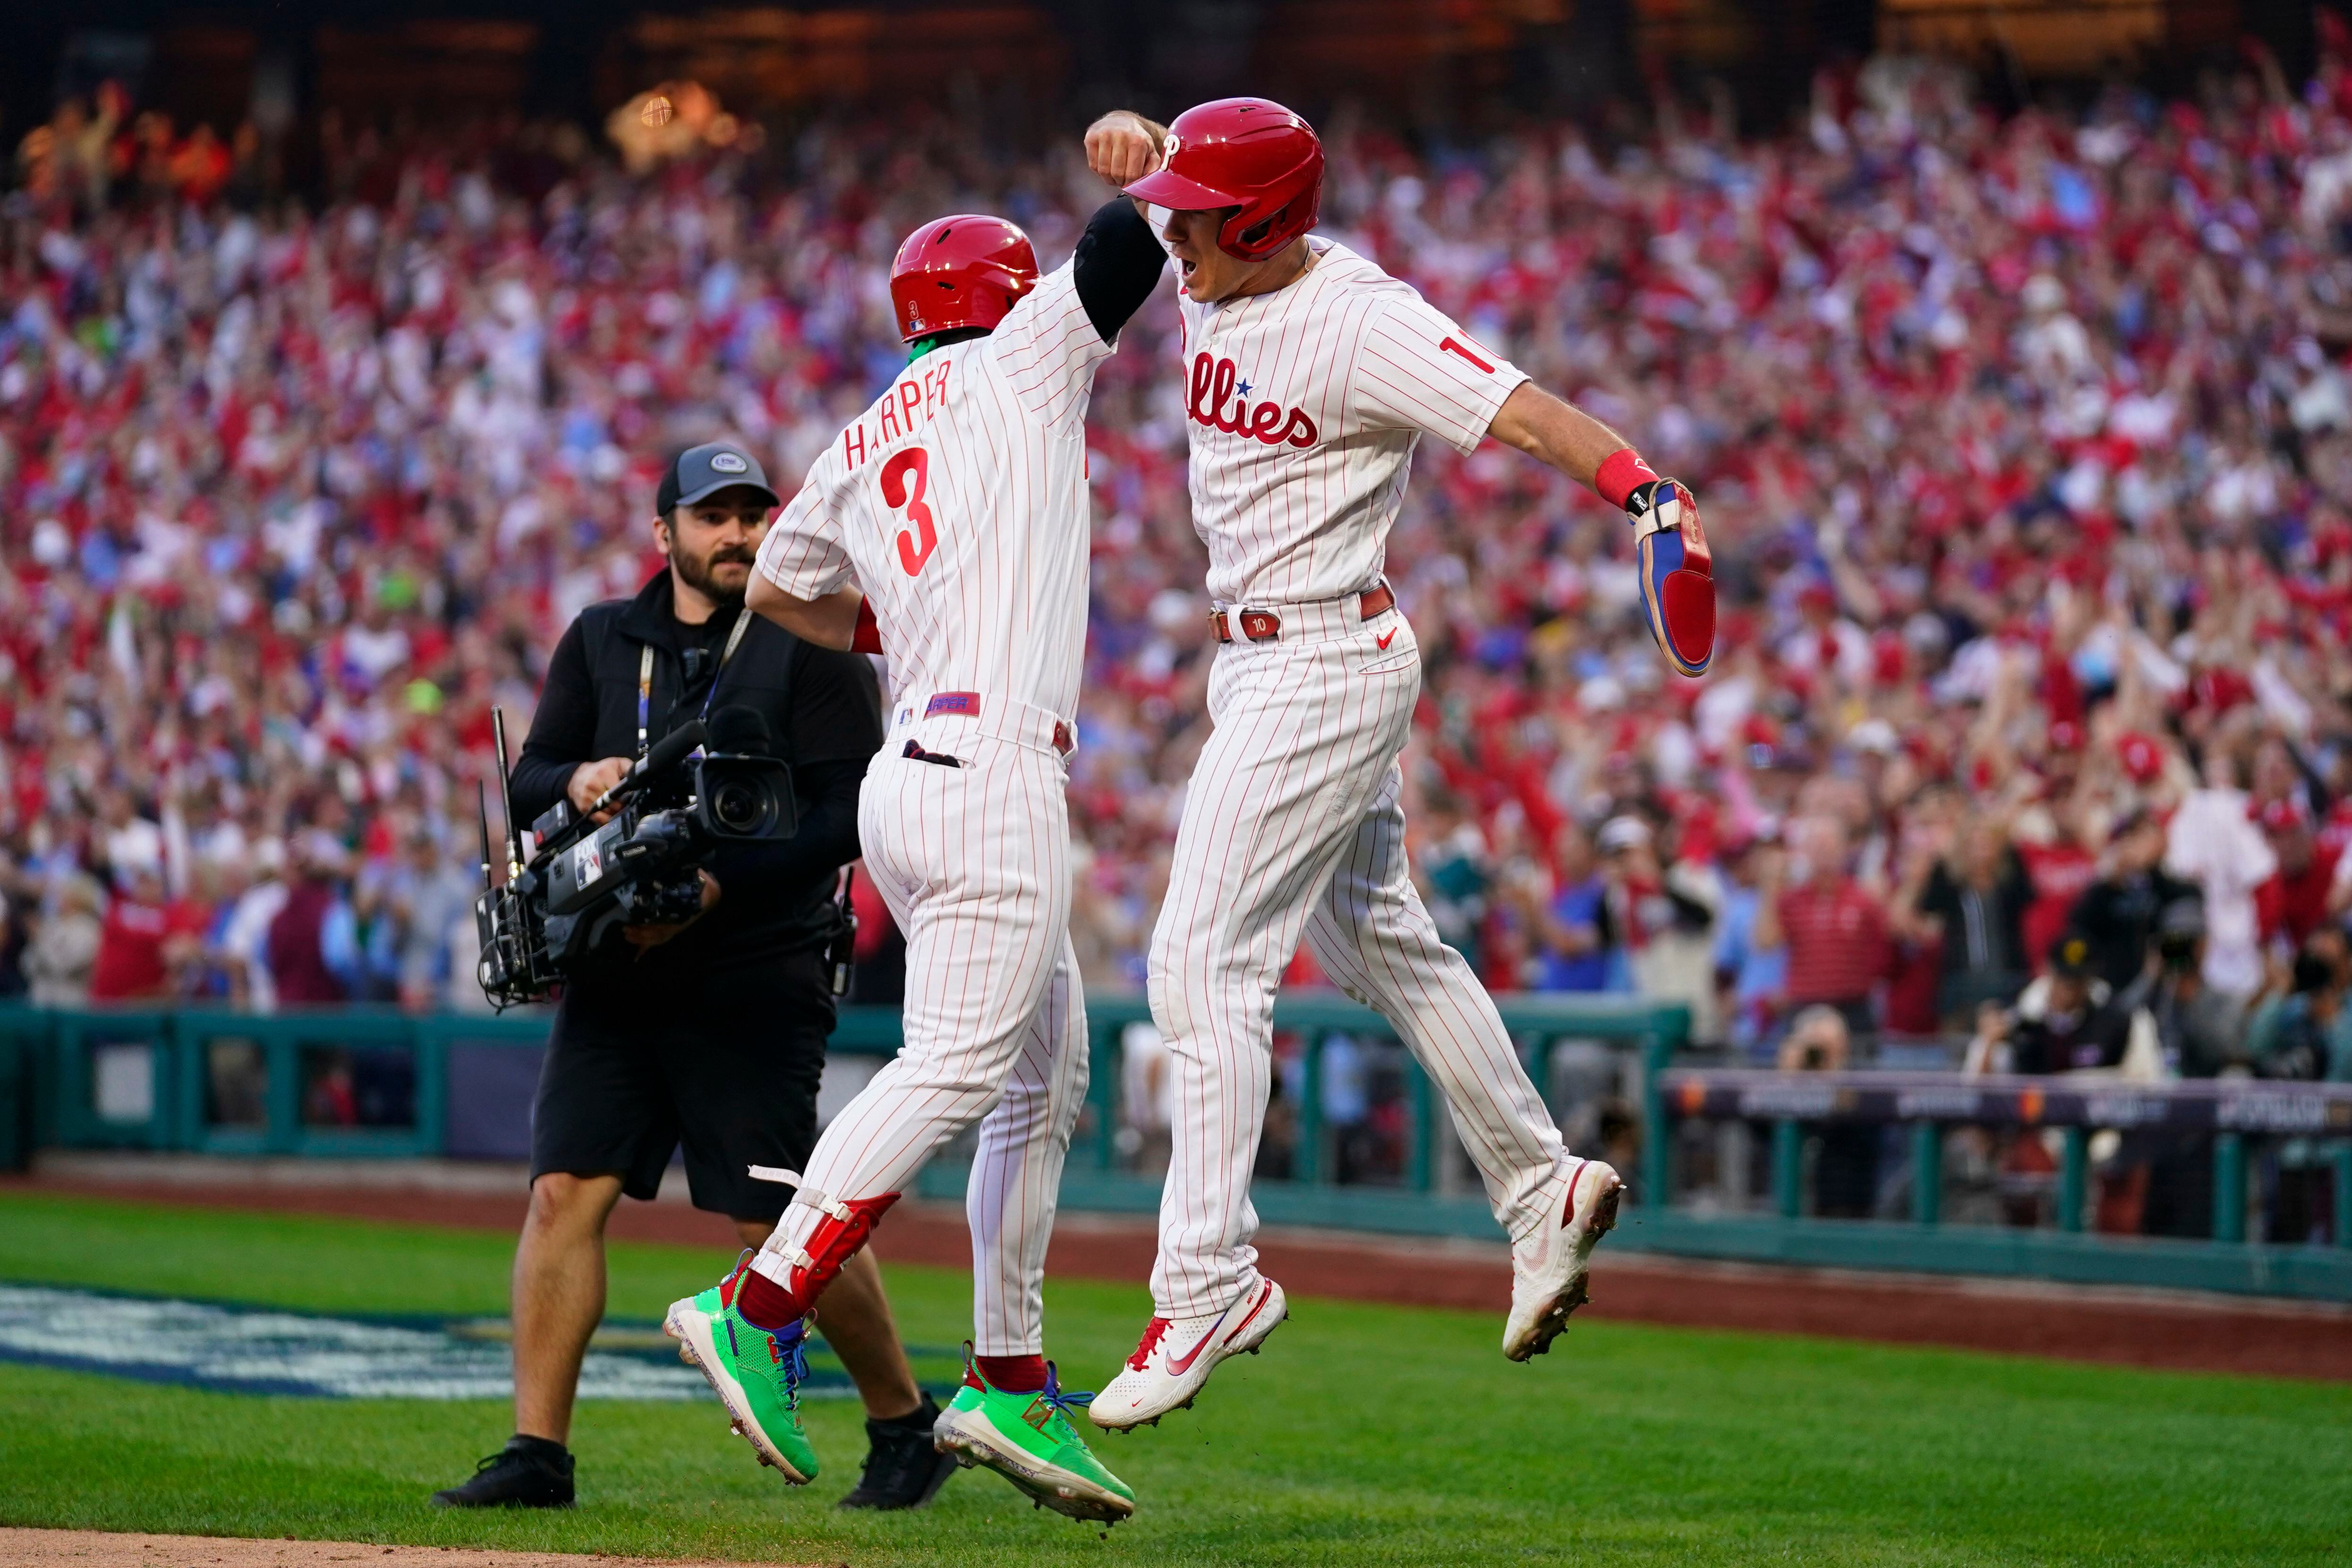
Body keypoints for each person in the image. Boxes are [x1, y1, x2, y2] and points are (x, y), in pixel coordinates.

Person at [1078, 97, 1715, 1429]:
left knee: (1199, 966)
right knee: (1379, 944)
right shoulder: (1212, 240)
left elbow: (1521, 410)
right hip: (1263, 656)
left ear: (1259, 222)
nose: (1173, 241)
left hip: (1318, 655)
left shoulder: (1360, 318)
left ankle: (1205, 1282)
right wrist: (1138, 142)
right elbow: (1143, 168)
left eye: (1196, 218)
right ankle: (1538, 1184)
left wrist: (1647, 492)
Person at [661, 199, 1168, 1523]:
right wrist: (1153, 169)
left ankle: (1005, 1376)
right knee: (955, 1066)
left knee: (1039, 1078)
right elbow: (1122, 256)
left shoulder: (866, 427)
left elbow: (771, 587)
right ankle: (756, 1303)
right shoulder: (1021, 356)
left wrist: (903, 626)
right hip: (989, 768)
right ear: (1004, 296)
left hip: (921, 767)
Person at [432, 442, 935, 1511]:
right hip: (617, 972)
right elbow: (524, 784)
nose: (737, 534)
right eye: (712, 516)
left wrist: (717, 887)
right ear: (663, 533)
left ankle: (902, 1422)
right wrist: (580, 775)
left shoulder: (814, 635)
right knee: (564, 1192)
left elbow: (851, 810)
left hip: (756, 971)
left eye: (753, 514)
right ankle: (537, 1450)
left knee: (775, 1225)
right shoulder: (603, 638)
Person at [2067, 808, 2201, 994]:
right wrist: (2113, 882)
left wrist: (2152, 871)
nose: (2136, 845)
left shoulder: (2177, 892)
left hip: (2161, 996)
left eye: (2143, 836)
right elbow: (2078, 933)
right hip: (2108, 994)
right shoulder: (2104, 892)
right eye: (2129, 837)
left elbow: (2179, 961)